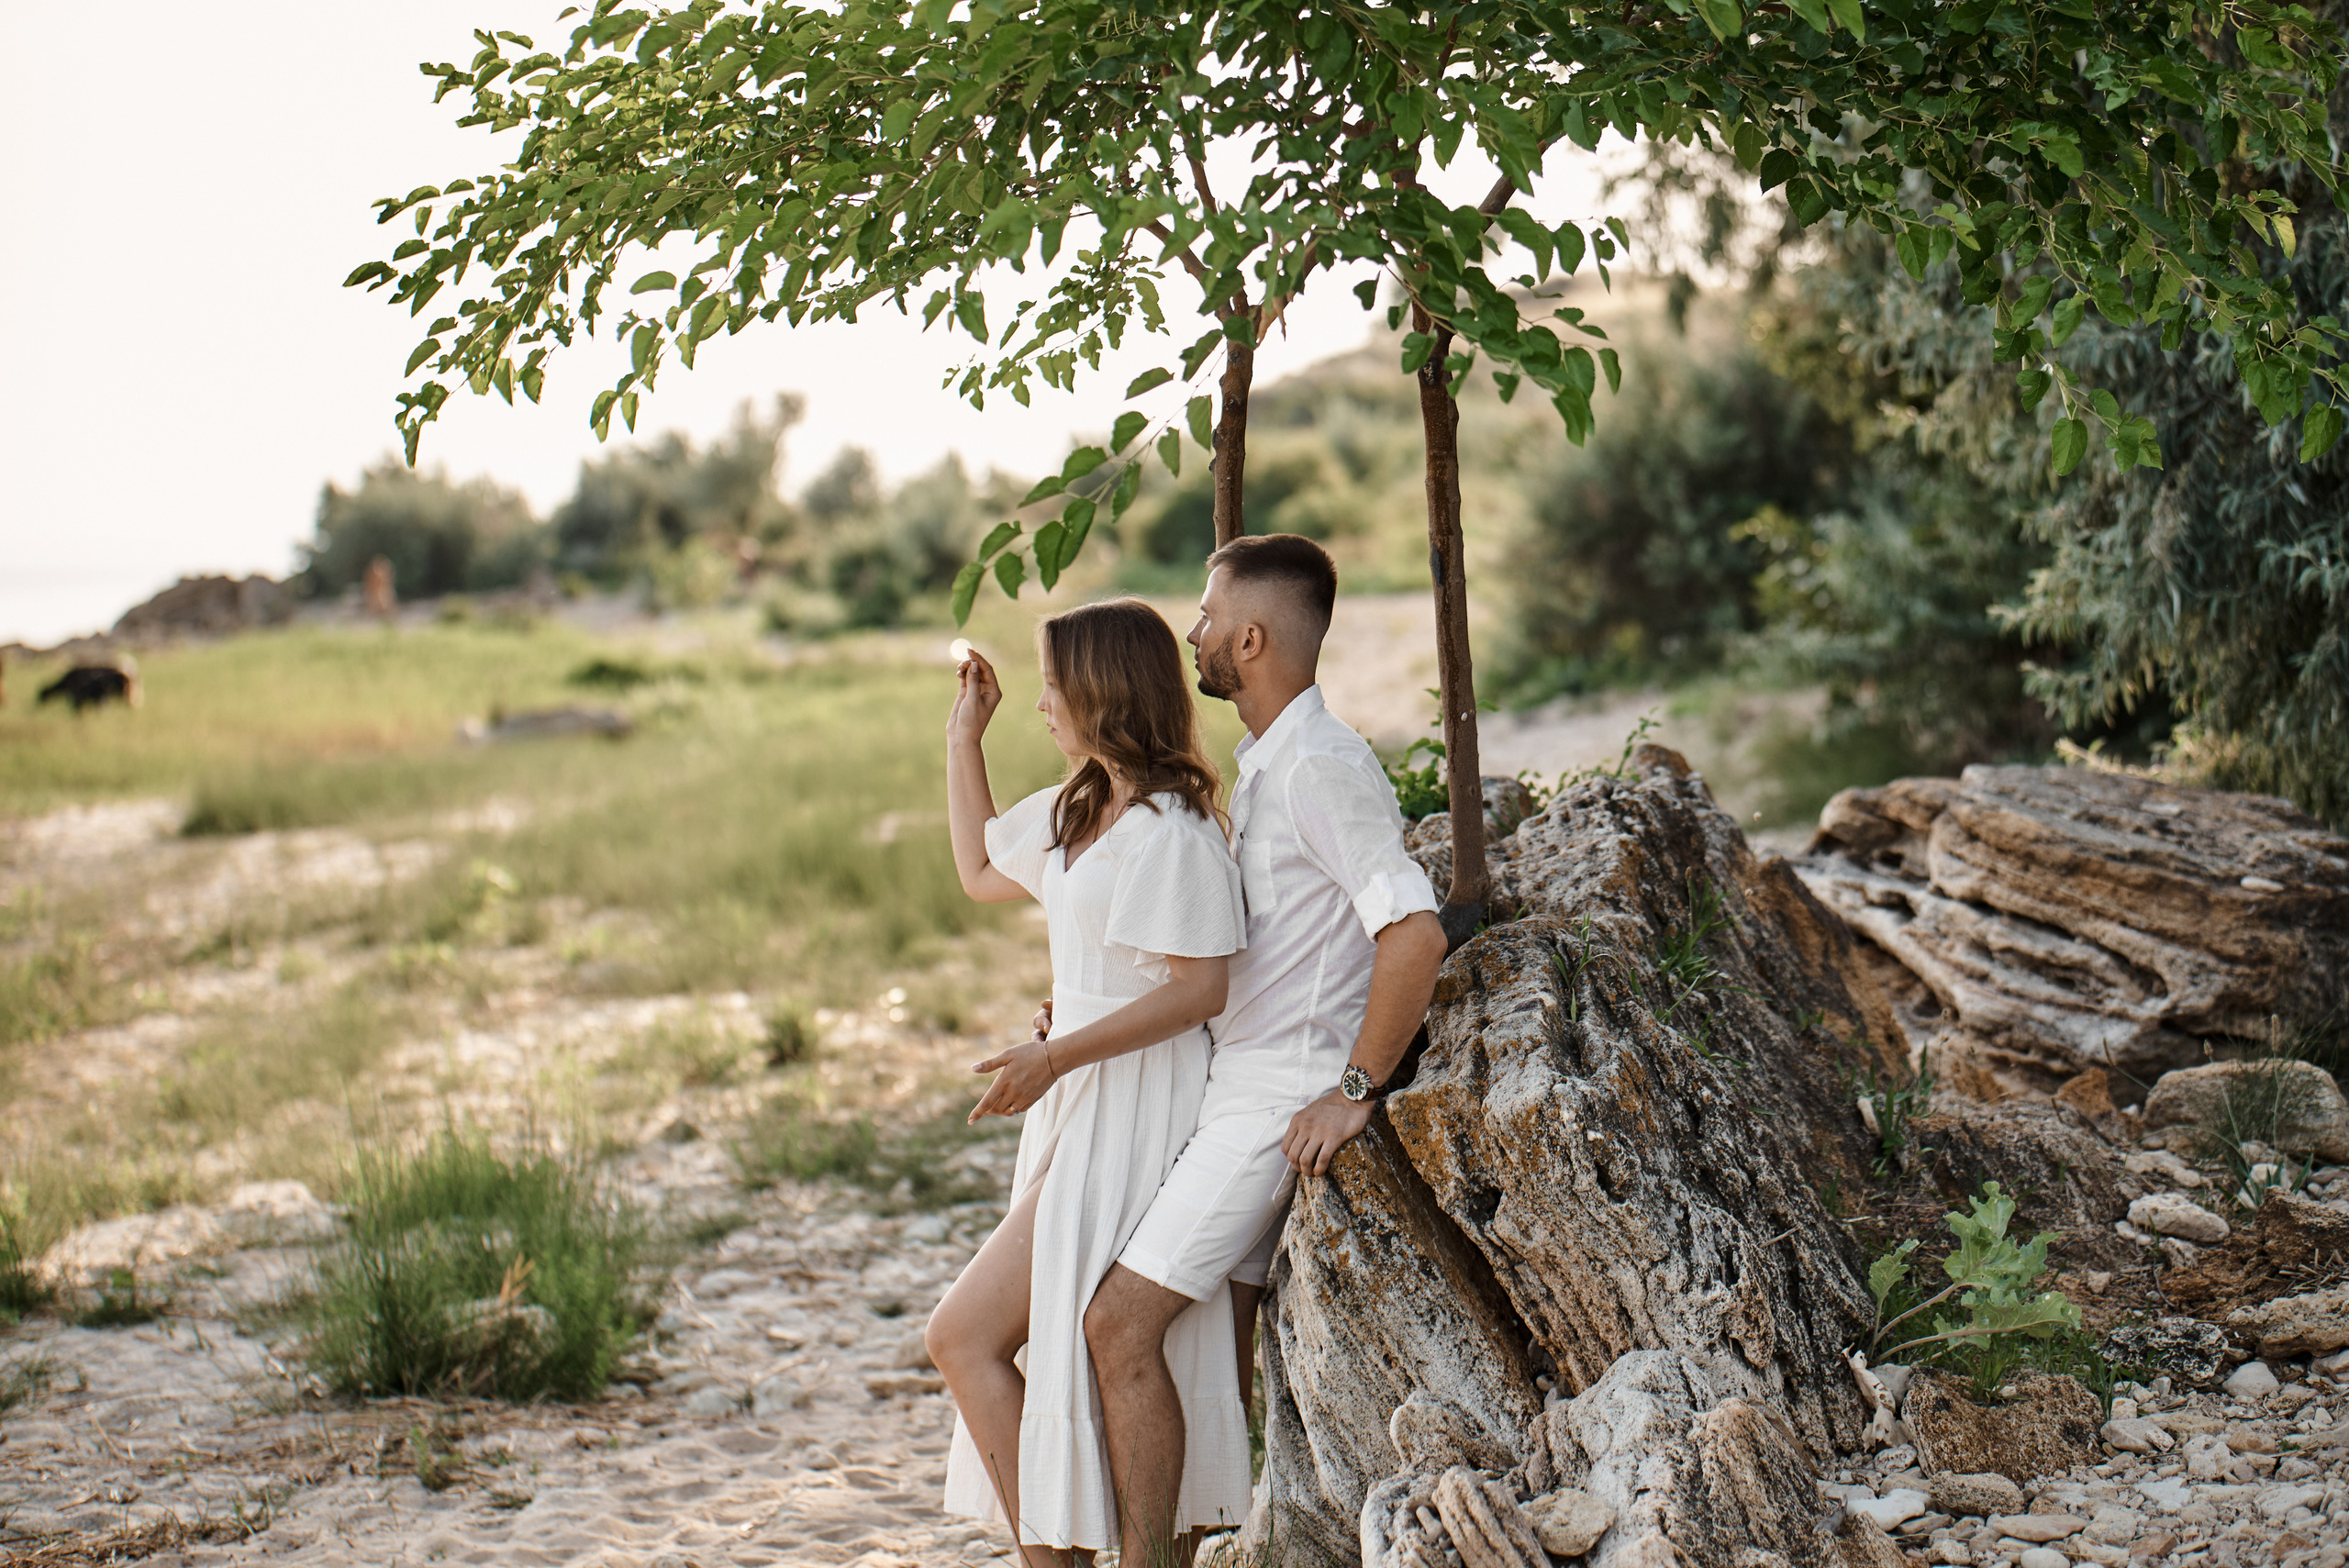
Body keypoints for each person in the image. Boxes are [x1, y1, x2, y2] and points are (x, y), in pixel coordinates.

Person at [1082, 534, 1450, 1565]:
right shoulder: (1271, 761)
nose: (1191, 631)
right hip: (1233, 1086)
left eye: (1206, 615)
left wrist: (1352, 1089)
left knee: (1118, 1325)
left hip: (1274, 1104)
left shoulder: (1320, 768)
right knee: (1215, 1355)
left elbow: (1412, 930)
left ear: (1249, 637)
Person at [929, 598, 1255, 1565]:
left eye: (1053, 685)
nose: (1040, 704)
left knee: (964, 1333)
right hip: (1079, 1096)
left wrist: (1059, 1049)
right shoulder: (1082, 801)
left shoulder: (1174, 830)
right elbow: (981, 870)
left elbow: (1200, 988)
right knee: (998, 1340)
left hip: (1138, 1105)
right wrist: (962, 734)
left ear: (1103, 693)